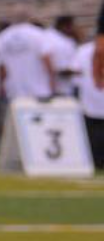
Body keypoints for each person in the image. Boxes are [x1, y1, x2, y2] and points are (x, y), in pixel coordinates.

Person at [0, 8, 56, 101]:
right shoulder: (39, 34)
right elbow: (47, 61)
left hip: (13, 91)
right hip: (39, 91)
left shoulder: (3, 37)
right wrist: (53, 85)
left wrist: (1, 86)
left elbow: (1, 68)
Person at [71, 37, 104, 170]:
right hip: (93, 94)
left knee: (92, 132)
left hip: (90, 97)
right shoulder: (84, 50)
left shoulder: (83, 50)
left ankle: (95, 161)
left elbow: (75, 72)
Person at [44, 15, 80, 97]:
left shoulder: (66, 39)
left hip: (67, 87)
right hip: (58, 89)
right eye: (71, 26)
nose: (73, 28)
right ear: (64, 26)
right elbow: (59, 70)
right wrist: (79, 71)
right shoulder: (53, 40)